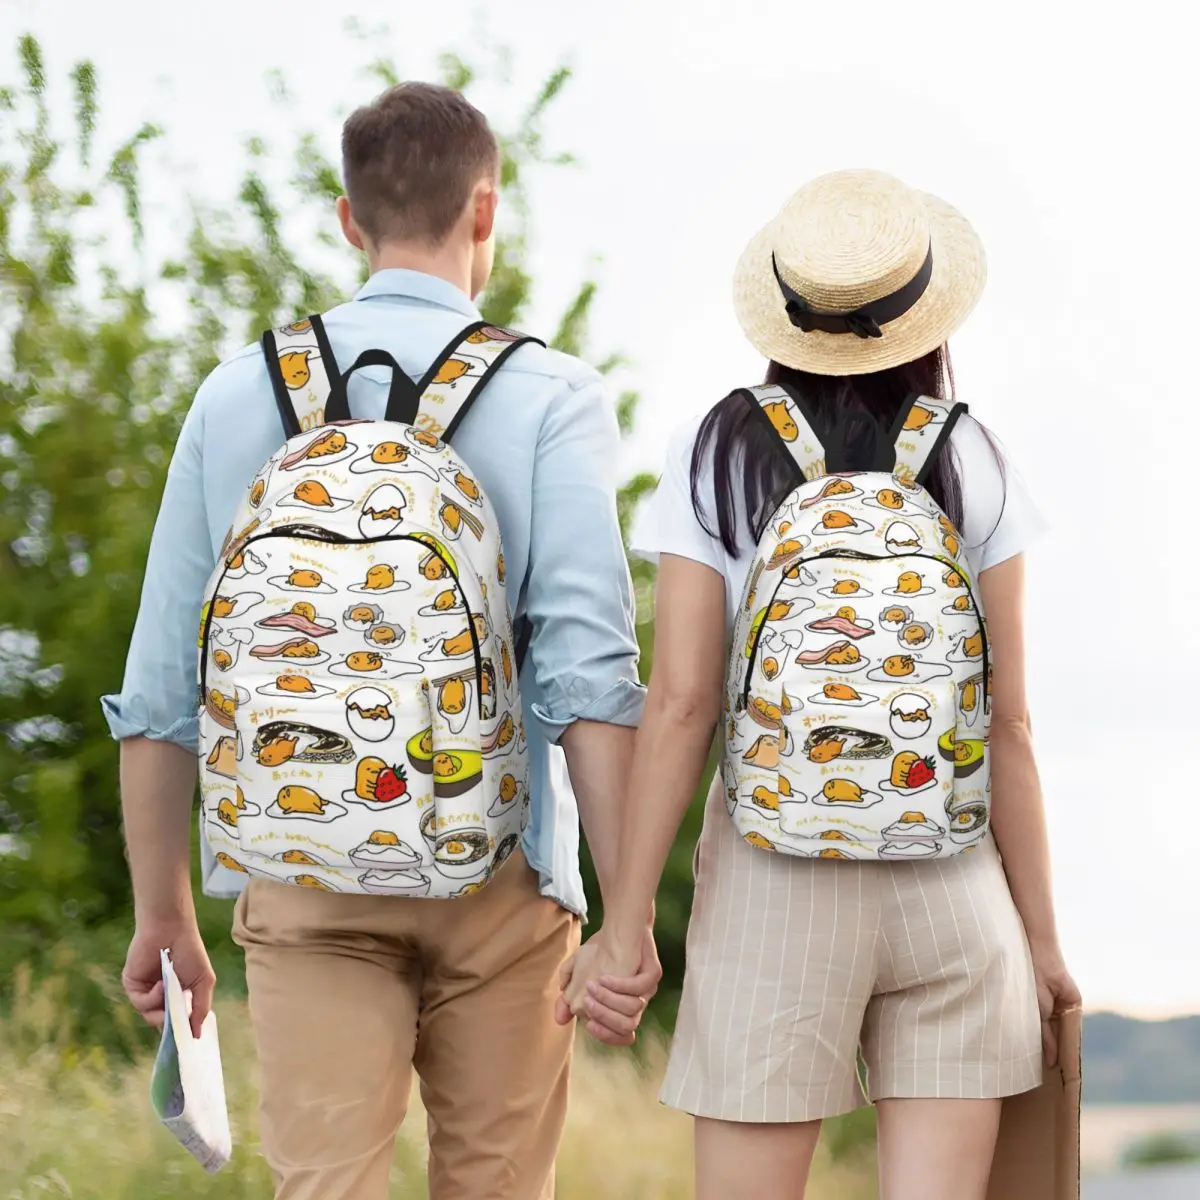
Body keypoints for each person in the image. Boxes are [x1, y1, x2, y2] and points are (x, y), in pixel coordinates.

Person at [104, 81, 661, 1200]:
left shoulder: (236, 394)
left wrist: (163, 911)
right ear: (486, 212)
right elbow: (589, 680)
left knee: (325, 1186)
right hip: (502, 876)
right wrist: (627, 915)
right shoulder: (551, 395)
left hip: (301, 870)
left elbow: (163, 684)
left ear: (349, 219)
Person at [559, 169, 1081, 1200]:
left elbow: (681, 704)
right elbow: (1010, 723)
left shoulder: (717, 451)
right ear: (925, 313)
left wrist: (624, 926)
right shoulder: (973, 455)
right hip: (954, 884)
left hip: (773, 882)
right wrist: (1043, 943)